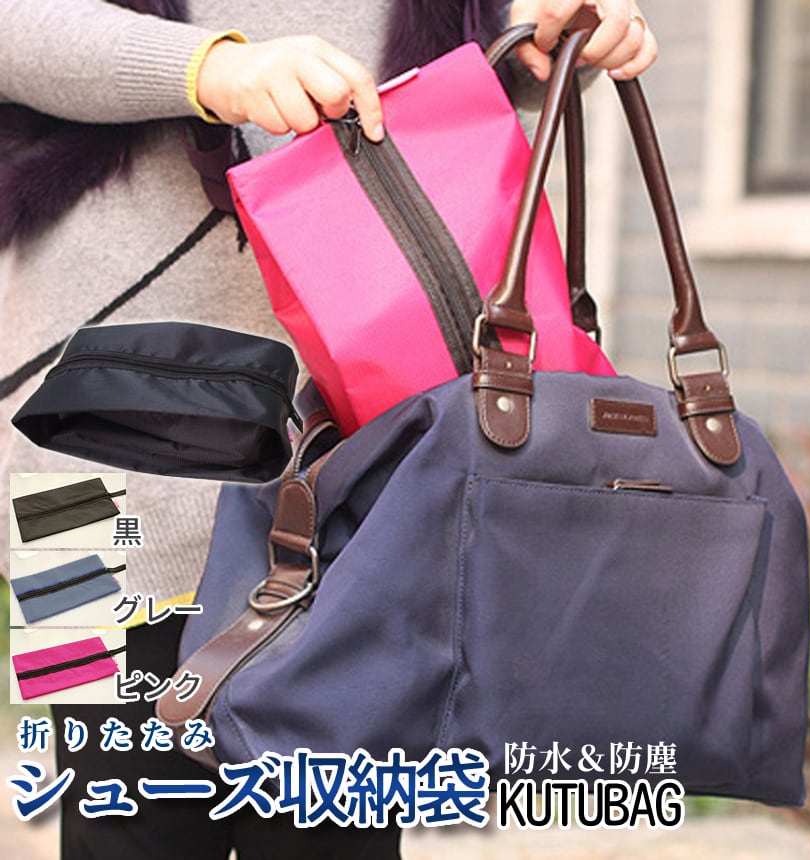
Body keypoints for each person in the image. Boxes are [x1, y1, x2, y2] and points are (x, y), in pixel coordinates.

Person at [0, 1, 657, 857]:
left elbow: (488, 60)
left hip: (362, 459)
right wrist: (210, 67)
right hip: (74, 459)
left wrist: (556, 28)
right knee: (111, 820)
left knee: (333, 832)